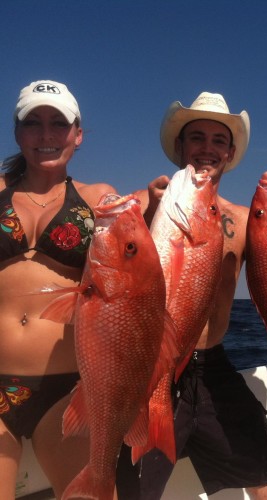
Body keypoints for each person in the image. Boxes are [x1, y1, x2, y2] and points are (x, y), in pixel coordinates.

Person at [116, 92, 267, 499]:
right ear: (180, 147)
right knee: (130, 490)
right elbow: (106, 275)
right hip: (149, 363)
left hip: (212, 365)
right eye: (197, 137)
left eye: (218, 140)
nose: (207, 148)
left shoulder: (247, 220)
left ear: (230, 153)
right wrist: (144, 220)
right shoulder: (140, 204)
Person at [0, 80, 117, 498]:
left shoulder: (99, 199)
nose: (46, 135)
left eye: (58, 124)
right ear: (17, 133)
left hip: (69, 392)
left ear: (77, 135)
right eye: (33, 123)